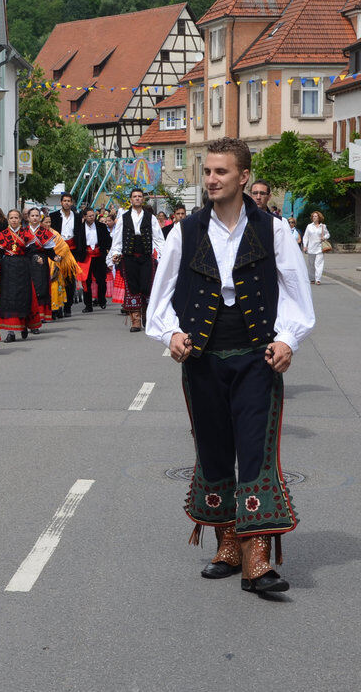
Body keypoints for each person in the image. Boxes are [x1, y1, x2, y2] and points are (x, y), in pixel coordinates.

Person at [146, 137, 314, 595]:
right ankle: (227, 543)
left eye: (221, 172)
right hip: (202, 355)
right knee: (215, 447)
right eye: (207, 172)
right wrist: (171, 334)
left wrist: (287, 339)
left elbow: (298, 292)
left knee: (255, 449)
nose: (211, 179)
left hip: (257, 354)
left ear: (243, 177)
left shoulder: (273, 230)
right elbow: (160, 297)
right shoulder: (186, 230)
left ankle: (257, 554)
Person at [109, 187, 165, 332]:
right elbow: (117, 239)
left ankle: (146, 315)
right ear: (131, 200)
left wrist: (162, 256)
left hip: (146, 257)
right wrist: (115, 253)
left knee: (147, 287)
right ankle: (136, 320)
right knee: (132, 287)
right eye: (135, 196)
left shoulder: (150, 217)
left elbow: (158, 239)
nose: (138, 198)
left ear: (143, 199)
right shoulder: (123, 218)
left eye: (140, 196)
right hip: (129, 257)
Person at [0, 209, 44, 342]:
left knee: (23, 298)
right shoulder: (2, 235)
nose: (14, 220)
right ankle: (11, 332)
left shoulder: (26, 234)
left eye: (16, 218)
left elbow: (32, 251)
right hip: (8, 267)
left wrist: (36, 257)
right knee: (9, 300)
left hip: (23, 267)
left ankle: (24, 325)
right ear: (8, 220)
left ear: (20, 219)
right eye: (11, 218)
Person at [49, 193, 87, 317]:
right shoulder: (53, 216)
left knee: (70, 279)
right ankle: (57, 306)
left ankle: (68, 306)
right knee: (56, 278)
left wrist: (81, 251)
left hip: (72, 251)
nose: (66, 203)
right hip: (57, 249)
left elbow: (81, 235)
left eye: (69, 201)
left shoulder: (77, 216)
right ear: (61, 202)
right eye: (64, 200)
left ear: (72, 203)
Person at [23, 207, 56, 329]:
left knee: (41, 288)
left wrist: (55, 257)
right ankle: (28, 318)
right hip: (27, 262)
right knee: (28, 290)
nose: (35, 218)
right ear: (28, 217)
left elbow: (50, 251)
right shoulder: (23, 231)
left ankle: (39, 318)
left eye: (37, 216)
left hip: (41, 263)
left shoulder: (45, 232)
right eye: (32, 216)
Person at [78, 207, 112, 312]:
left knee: (101, 280)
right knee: (86, 282)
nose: (92, 217)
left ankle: (102, 300)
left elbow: (108, 240)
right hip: (86, 257)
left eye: (93, 215)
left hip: (99, 256)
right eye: (89, 216)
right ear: (84, 217)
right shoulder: (79, 228)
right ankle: (88, 305)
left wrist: (108, 252)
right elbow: (78, 243)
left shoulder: (101, 226)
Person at [301, 210, 331, 284]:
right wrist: (305, 246)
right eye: (313, 216)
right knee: (311, 264)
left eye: (316, 216)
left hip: (320, 248)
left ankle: (318, 279)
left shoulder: (323, 226)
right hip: (311, 248)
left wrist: (324, 237)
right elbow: (305, 237)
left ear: (319, 217)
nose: (314, 217)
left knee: (319, 264)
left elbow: (328, 234)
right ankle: (312, 279)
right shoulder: (309, 226)